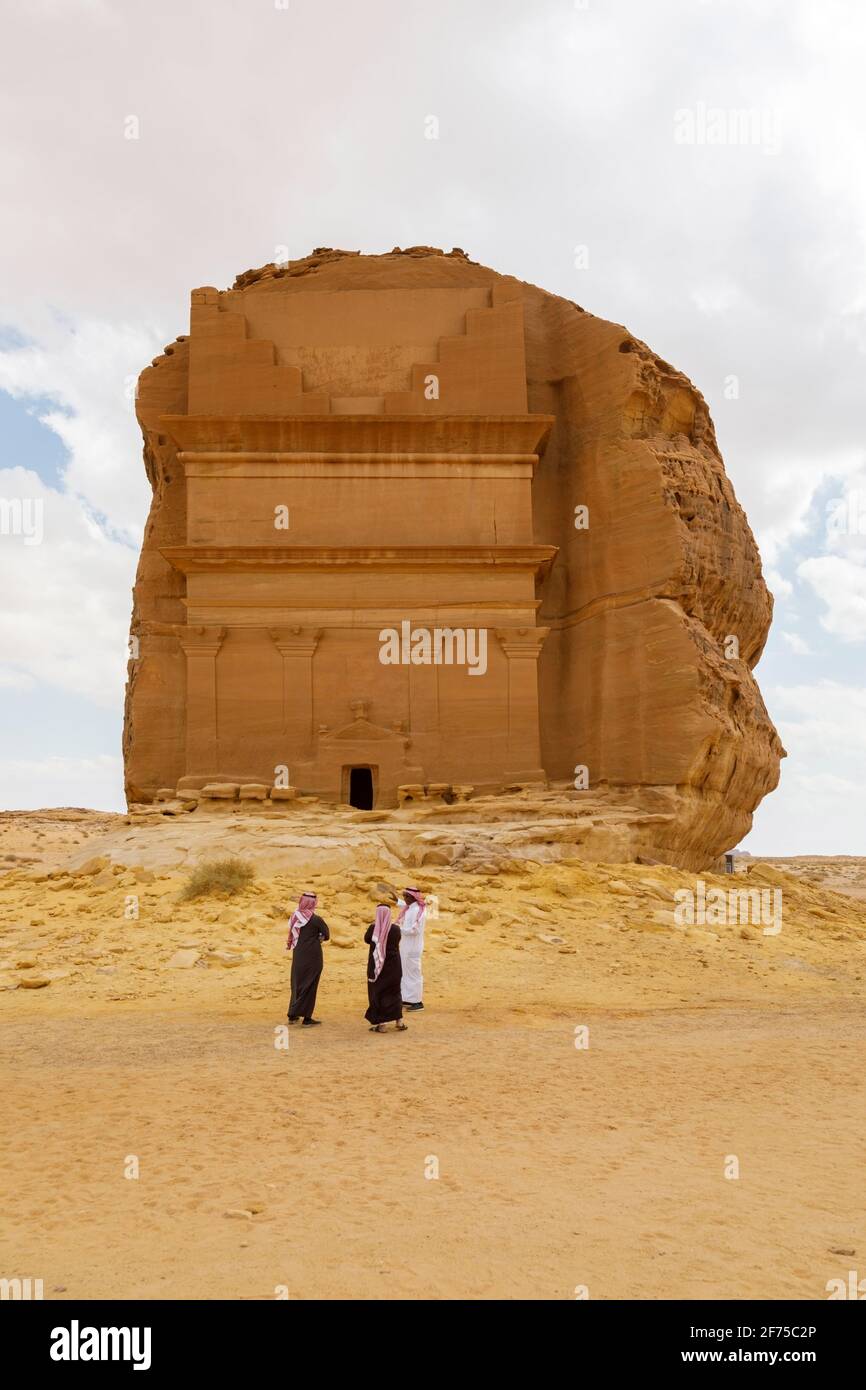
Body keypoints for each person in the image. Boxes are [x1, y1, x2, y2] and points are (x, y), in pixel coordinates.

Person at [286, 891, 329, 1026]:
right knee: (310, 985)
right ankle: (307, 1018)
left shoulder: (295, 916)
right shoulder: (316, 919)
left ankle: (293, 1015)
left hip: (298, 954)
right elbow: (326, 935)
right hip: (313, 956)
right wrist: (319, 937)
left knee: (297, 983)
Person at [364, 904, 407, 1033]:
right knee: (394, 992)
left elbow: (367, 940)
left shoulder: (373, 929)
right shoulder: (395, 929)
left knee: (378, 993)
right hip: (394, 966)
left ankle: (382, 1024)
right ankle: (399, 1021)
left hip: (377, 967)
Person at [398, 886, 426, 1011]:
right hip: (406, 947)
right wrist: (396, 900)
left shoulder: (419, 911)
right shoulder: (409, 908)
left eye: (406, 896)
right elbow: (403, 905)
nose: (404, 899)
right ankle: (408, 999)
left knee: (414, 974)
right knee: (405, 973)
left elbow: (415, 930)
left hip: (413, 948)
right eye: (403, 896)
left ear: (413, 897)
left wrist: (399, 929)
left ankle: (417, 1002)